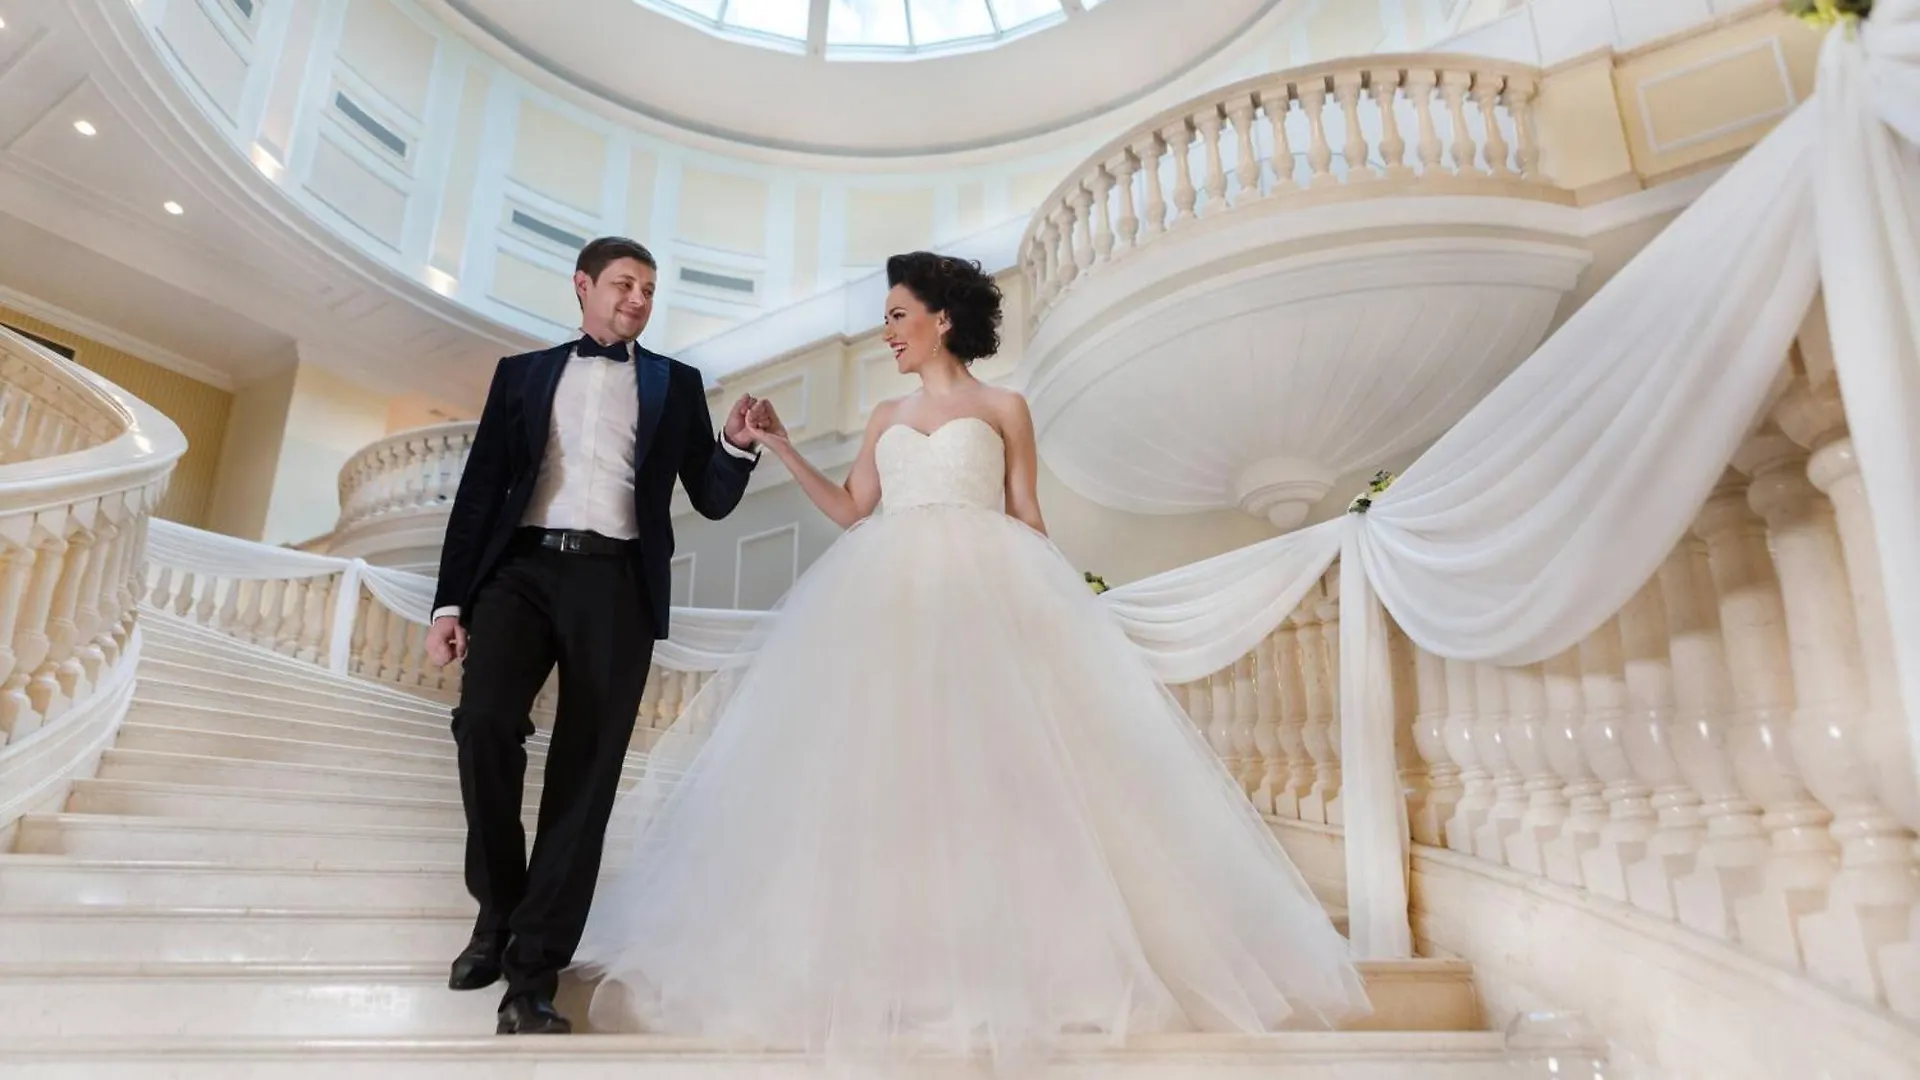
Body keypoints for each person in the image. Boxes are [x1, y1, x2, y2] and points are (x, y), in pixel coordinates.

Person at [571, 252, 1369, 1068]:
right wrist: (778, 445)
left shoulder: (1004, 407)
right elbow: (852, 509)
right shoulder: (885, 416)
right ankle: (897, 961)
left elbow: (1026, 515)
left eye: (896, 315)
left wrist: (1070, 618)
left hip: (990, 595)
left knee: (1005, 776)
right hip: (887, 599)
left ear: (941, 318)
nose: (887, 332)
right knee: (889, 773)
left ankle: (1023, 961)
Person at [424, 236, 760, 1035]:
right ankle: (497, 912)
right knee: (483, 725)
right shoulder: (522, 374)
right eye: (624, 284)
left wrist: (736, 446)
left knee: (586, 775)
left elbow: (710, 498)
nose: (638, 299)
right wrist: (449, 605)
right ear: (583, 285)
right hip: (520, 570)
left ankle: (531, 973)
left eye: (649, 290)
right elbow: (479, 494)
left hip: (616, 584)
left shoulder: (676, 384)